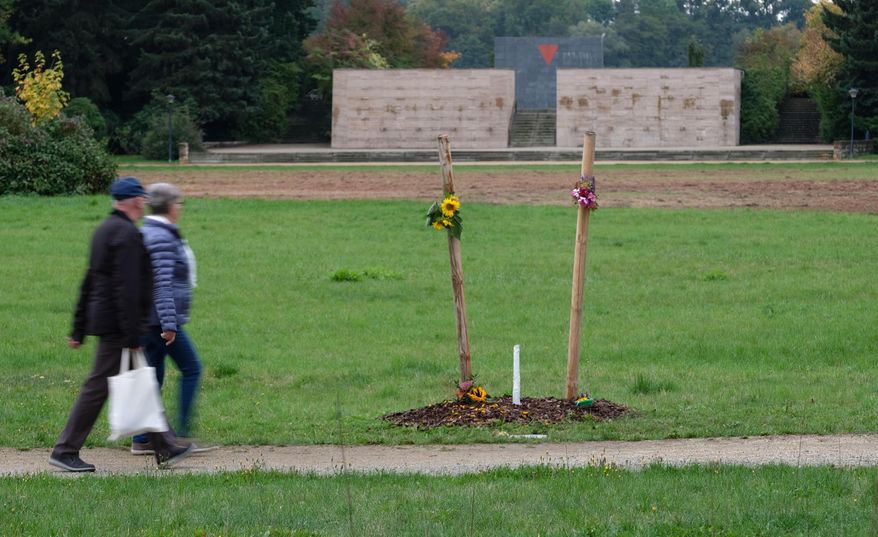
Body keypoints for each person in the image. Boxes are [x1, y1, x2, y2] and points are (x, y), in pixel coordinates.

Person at [49, 177, 193, 472]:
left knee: (141, 382)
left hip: (110, 322)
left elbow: (89, 281)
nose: (144, 202)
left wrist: (78, 328)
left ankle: (164, 446)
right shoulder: (127, 234)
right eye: (141, 198)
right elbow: (126, 288)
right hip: (118, 327)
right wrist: (132, 334)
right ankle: (65, 450)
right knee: (98, 386)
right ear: (134, 200)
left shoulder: (103, 230)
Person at [131, 183, 215, 455]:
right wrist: (169, 324)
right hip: (160, 322)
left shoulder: (154, 232)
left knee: (153, 377)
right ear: (169, 206)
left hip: (151, 320)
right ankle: (176, 437)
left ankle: (145, 438)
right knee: (191, 368)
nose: (180, 208)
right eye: (178, 203)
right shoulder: (161, 237)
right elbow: (161, 284)